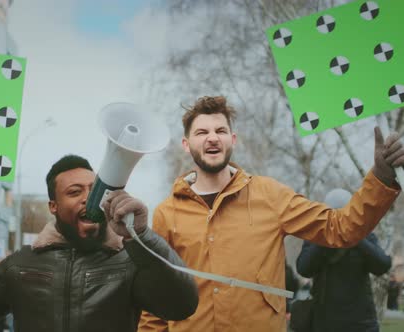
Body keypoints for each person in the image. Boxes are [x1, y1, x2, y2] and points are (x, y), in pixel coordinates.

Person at [138, 96, 403, 332]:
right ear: (186, 144)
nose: (212, 137)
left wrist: (380, 178)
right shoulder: (166, 213)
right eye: (201, 132)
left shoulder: (270, 195)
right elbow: (157, 295)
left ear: (232, 139)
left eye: (220, 130)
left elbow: (340, 227)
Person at [0, 154, 199, 331]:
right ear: (53, 206)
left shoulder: (128, 261)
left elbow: (182, 304)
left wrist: (141, 236)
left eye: (94, 190)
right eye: (74, 192)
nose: (88, 199)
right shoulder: (22, 264)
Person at [296, 188, 392, 331]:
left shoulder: (363, 233)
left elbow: (382, 265)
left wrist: (355, 236)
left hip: (361, 321)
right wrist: (328, 236)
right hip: (325, 322)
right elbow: (304, 268)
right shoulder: (317, 234)